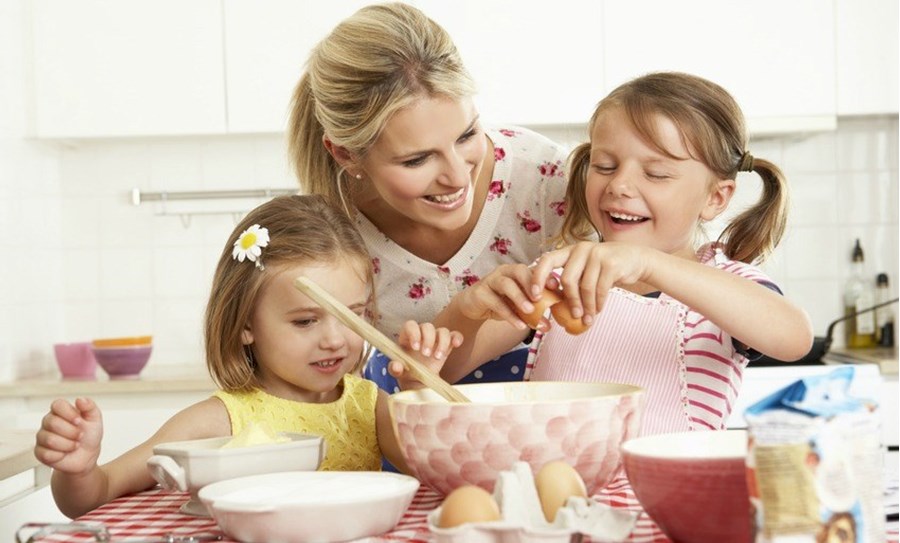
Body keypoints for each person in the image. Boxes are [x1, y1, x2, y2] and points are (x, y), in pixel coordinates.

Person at [430, 71, 814, 435]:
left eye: (656, 173)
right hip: (562, 497)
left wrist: (649, 264)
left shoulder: (724, 286)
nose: (620, 185)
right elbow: (439, 373)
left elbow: (794, 338)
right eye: (605, 166)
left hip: (668, 498)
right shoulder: (561, 279)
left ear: (715, 198)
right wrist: (468, 310)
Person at [33, 195, 462, 519]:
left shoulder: (368, 407)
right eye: (306, 321)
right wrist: (77, 470)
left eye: (354, 315)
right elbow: (93, 495)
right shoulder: (217, 421)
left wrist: (417, 390)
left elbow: (445, 473)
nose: (336, 339)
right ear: (245, 325)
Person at [287, 2, 570, 393]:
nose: (457, 176)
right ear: (346, 154)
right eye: (417, 159)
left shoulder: (545, 179)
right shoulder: (336, 238)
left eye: (467, 135)